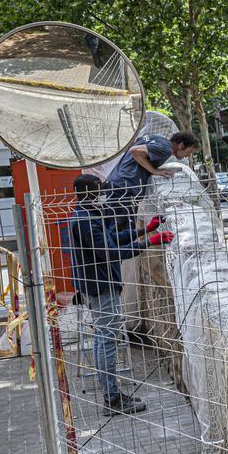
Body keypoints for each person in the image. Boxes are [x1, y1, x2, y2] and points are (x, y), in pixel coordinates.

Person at [68, 174, 173, 415]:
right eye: (99, 190)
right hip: (101, 286)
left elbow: (112, 239)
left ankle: (112, 396)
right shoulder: (85, 220)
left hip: (98, 285)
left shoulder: (88, 215)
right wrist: (149, 242)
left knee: (103, 339)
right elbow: (109, 252)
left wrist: (144, 230)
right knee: (106, 340)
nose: (103, 194)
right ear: (89, 193)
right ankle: (112, 400)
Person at [106, 116, 199, 222]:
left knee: (120, 227)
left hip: (117, 182)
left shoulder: (157, 139)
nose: (188, 156)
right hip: (123, 187)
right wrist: (154, 171)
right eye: (189, 152)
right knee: (120, 228)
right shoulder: (166, 149)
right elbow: (134, 150)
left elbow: (135, 144)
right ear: (181, 145)